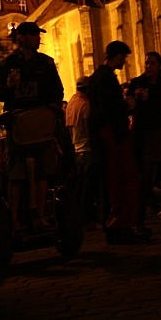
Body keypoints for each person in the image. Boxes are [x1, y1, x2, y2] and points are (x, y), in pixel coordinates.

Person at [0, 21, 64, 231]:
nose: (38, 39)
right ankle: (14, 220)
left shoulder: (46, 63)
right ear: (22, 38)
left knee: (43, 171)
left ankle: (41, 216)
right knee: (16, 174)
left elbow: (58, 91)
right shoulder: (7, 64)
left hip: (41, 124)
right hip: (18, 125)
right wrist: (8, 86)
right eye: (34, 35)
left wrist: (52, 108)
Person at [87, 40, 147, 244]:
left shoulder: (97, 77)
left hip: (107, 133)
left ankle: (117, 223)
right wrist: (127, 106)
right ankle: (119, 224)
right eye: (124, 57)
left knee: (115, 180)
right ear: (118, 56)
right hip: (113, 134)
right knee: (123, 179)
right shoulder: (106, 78)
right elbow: (108, 109)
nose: (124, 61)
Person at [127, 52, 161, 233]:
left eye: (152, 63)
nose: (149, 66)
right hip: (146, 134)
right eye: (147, 63)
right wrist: (134, 101)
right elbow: (129, 107)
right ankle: (140, 220)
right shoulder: (137, 83)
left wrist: (150, 99)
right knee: (146, 178)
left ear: (160, 65)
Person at [66, 76, 100, 229]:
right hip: (87, 149)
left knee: (79, 187)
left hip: (76, 149)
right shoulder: (85, 104)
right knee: (89, 187)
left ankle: (77, 216)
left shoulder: (72, 103)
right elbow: (88, 127)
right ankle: (87, 218)